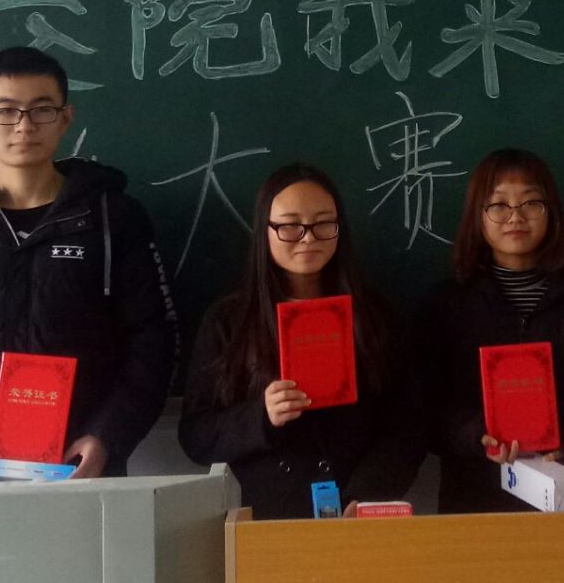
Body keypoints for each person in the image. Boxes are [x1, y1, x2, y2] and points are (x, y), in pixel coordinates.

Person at [0, 46, 177, 483]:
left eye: (42, 110)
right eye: (6, 111)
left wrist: (107, 436)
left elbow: (152, 340)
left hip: (80, 469)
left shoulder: (114, 220)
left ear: (65, 118)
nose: (24, 126)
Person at [178, 163, 424, 519]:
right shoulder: (229, 321)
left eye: (323, 223)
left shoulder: (377, 317)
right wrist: (261, 416)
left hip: (358, 516)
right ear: (266, 230)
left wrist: (368, 494)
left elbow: (408, 428)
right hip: (266, 519)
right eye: (290, 226)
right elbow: (197, 436)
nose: (308, 238)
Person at [418, 148, 564, 513]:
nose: (515, 217)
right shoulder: (446, 305)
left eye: (531, 203)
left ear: (551, 212)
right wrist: (475, 435)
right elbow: (423, 405)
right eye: (498, 205)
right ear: (477, 216)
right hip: (474, 500)